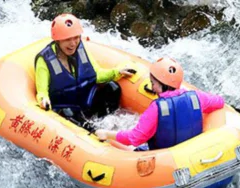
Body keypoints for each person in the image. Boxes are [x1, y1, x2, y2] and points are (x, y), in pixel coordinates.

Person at [95, 57, 225, 150]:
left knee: (115, 145)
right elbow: (219, 102)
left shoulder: (156, 108)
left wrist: (107, 134)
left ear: (161, 84)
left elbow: (135, 138)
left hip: (163, 159)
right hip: (192, 152)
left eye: (153, 83)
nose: (151, 87)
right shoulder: (197, 96)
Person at [35, 13, 135, 126]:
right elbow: (42, 92)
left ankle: (107, 126)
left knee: (113, 87)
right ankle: (90, 134)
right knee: (68, 112)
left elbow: (96, 74)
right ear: (58, 40)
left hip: (86, 101)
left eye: (76, 38)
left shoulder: (80, 49)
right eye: (67, 39)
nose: (73, 44)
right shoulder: (44, 60)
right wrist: (44, 101)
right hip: (67, 108)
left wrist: (117, 72)